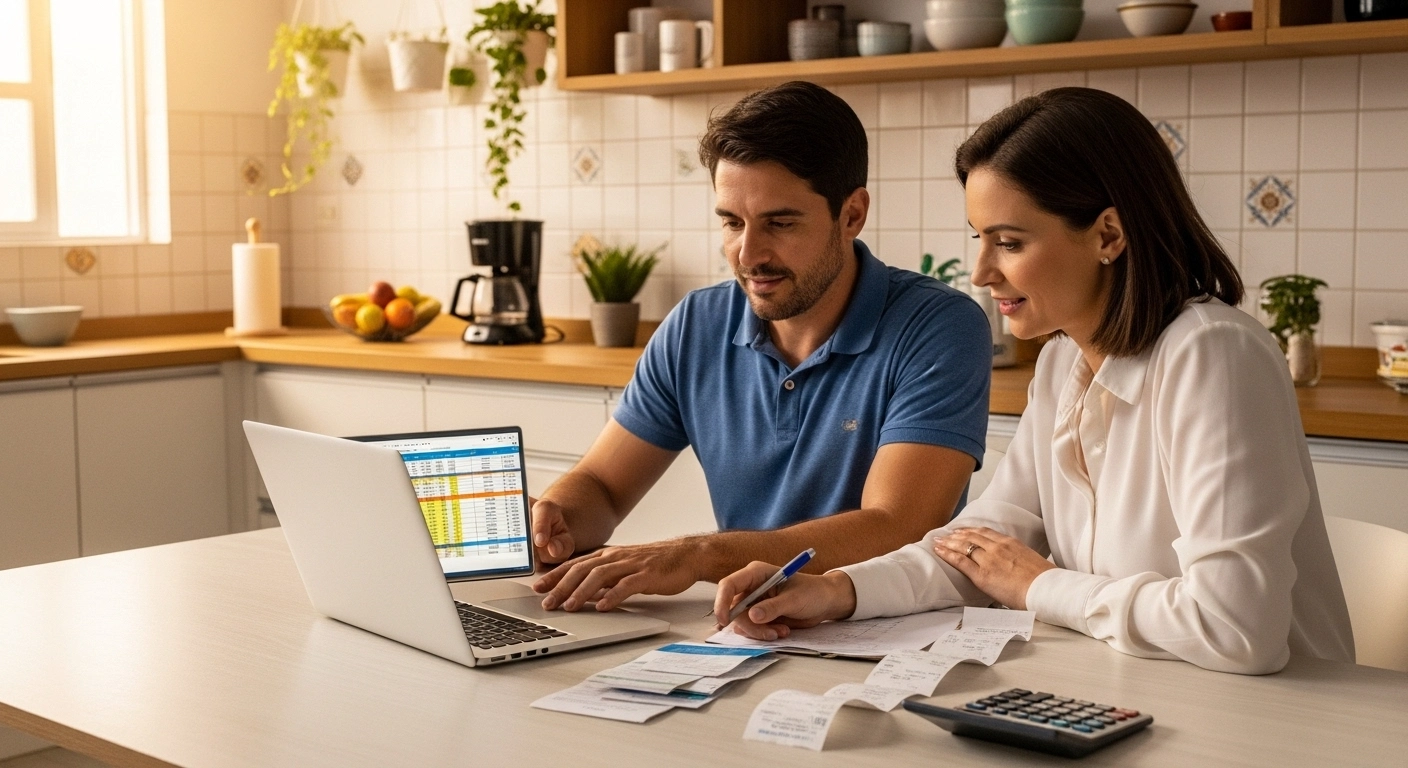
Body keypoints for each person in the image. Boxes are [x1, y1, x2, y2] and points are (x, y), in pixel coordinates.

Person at [714, 87, 1355, 675]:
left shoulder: (1213, 354)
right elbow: (981, 547)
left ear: (1108, 233)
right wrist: (838, 591)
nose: (981, 272)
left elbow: (1237, 629)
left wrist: (1038, 586)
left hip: (1278, 724)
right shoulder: (1062, 363)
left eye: (1010, 242)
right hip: (1141, 695)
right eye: (979, 239)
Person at [530, 81, 992, 613]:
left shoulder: (939, 326)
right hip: (746, 624)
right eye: (732, 222)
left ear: (852, 215)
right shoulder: (695, 325)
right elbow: (603, 487)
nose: (749, 253)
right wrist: (558, 517)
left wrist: (699, 554)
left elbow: (899, 526)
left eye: (779, 223)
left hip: (887, 628)